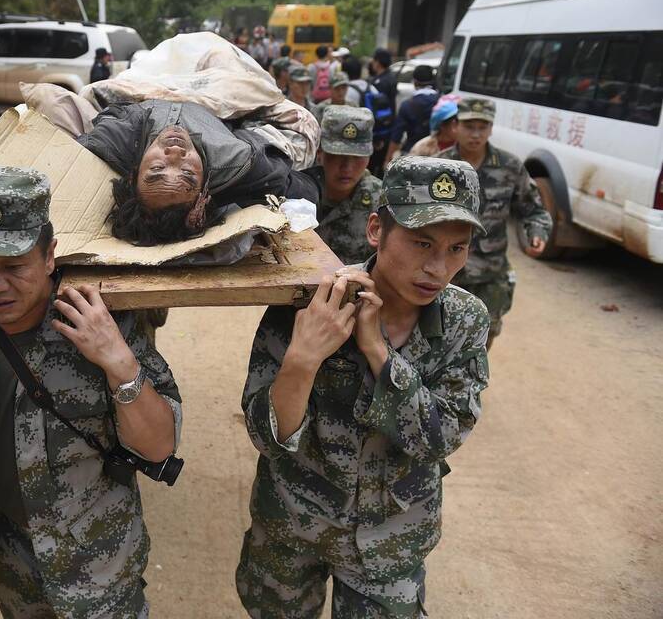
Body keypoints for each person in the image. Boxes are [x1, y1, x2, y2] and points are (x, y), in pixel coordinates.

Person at [0, 166, 183, 618]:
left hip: (99, 567)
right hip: (10, 567)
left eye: (13, 266)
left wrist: (117, 363)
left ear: (49, 256)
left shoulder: (104, 323)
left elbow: (160, 447)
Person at [236, 155, 491, 618]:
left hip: (392, 540)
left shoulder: (464, 320)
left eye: (457, 248)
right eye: (421, 243)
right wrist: (304, 356)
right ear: (376, 230)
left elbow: (437, 440)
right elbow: (266, 436)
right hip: (292, 526)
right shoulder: (306, 301)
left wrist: (377, 350)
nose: (438, 268)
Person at [76, 99, 321, 245]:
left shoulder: (112, 144)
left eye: (157, 168)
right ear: (205, 192)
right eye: (187, 173)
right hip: (220, 100)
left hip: (147, 86)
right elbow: (303, 188)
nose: (174, 152)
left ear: (132, 176)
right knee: (306, 122)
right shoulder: (239, 164)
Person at [437, 98, 552, 347]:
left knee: (479, 348)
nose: (476, 134)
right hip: (444, 276)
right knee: (437, 344)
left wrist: (537, 232)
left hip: (489, 278)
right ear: (456, 126)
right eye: (469, 126)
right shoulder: (439, 167)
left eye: (482, 126)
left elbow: (533, 209)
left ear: (491, 128)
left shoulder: (510, 167)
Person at [304, 106, 383, 265]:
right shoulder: (297, 192)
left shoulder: (381, 201)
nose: (347, 167)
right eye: (337, 155)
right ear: (320, 152)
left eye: (357, 156)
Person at [385, 65, 440, 165]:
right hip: (437, 155)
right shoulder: (441, 103)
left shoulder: (407, 105)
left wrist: (388, 160)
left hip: (412, 156)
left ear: (414, 82)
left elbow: (396, 136)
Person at [366, 48, 398, 178]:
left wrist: (378, 136)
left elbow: (379, 112)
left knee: (373, 167)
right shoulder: (391, 78)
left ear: (378, 62)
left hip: (380, 132)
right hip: (389, 129)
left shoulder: (379, 83)